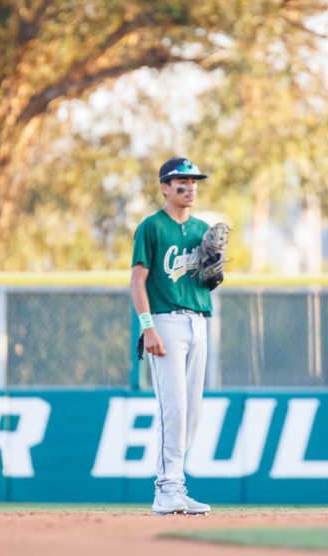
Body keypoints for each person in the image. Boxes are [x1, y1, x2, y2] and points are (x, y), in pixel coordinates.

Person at [130, 157, 219, 515]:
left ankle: (176, 486)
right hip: (165, 321)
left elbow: (205, 283)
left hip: (199, 320)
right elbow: (138, 281)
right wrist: (147, 326)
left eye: (194, 181)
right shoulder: (151, 227)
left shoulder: (202, 229)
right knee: (174, 408)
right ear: (165, 187)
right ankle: (166, 489)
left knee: (192, 411)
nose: (190, 187)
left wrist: (214, 272)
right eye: (181, 181)